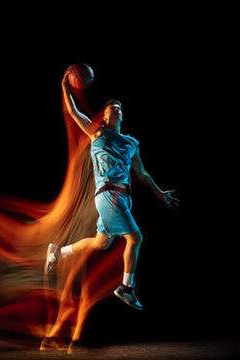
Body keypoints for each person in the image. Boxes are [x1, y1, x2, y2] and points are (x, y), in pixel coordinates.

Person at [45, 70, 180, 310]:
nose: (117, 109)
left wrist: (160, 194)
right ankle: (126, 288)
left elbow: (142, 173)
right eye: (112, 108)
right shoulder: (97, 132)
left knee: (101, 243)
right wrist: (64, 83)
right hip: (109, 194)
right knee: (135, 238)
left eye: (119, 108)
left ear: (122, 115)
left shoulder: (132, 143)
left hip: (122, 197)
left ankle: (58, 252)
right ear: (105, 116)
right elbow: (74, 112)